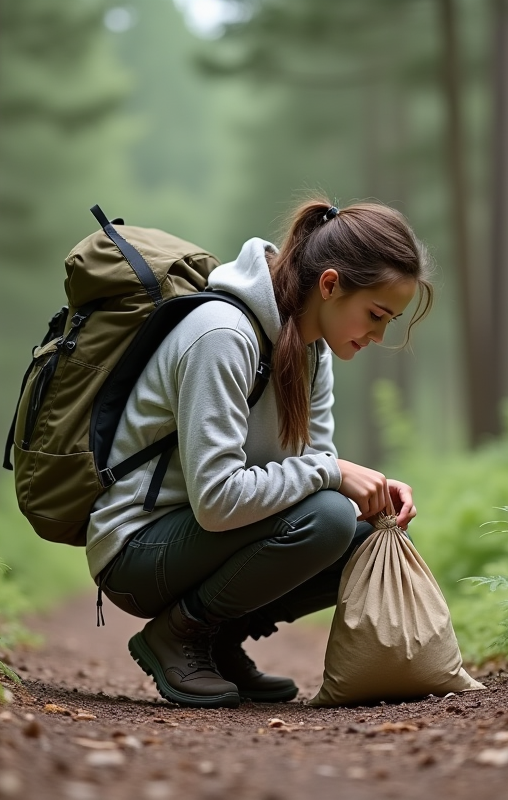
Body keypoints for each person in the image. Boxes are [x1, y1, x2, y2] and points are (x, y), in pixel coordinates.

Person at [86, 198, 435, 708]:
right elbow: (218, 499)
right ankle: (179, 635)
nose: (380, 336)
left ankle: (220, 641)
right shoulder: (221, 336)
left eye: (391, 320)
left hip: (202, 542)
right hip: (138, 551)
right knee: (331, 518)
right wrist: (335, 473)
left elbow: (308, 474)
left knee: (363, 539)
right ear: (331, 284)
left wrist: (368, 491)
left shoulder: (313, 352)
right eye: (376, 315)